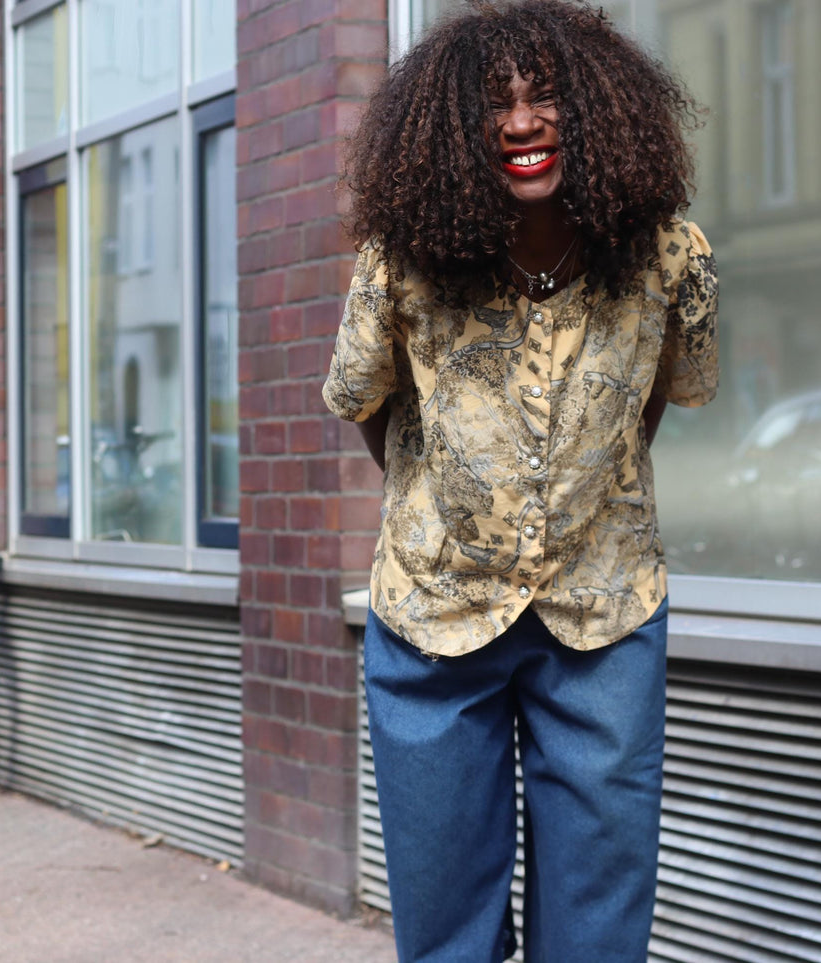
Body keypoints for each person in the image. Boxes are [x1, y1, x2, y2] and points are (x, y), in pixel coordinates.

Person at [322, 2, 717, 960]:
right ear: (449, 130)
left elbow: (655, 401)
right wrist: (456, 501)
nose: (521, 122)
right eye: (492, 103)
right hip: (431, 611)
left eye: (546, 96)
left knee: (599, 921)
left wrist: (581, 496)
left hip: (605, 608)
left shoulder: (673, 260)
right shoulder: (401, 264)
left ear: (600, 110)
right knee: (445, 921)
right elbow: (367, 402)